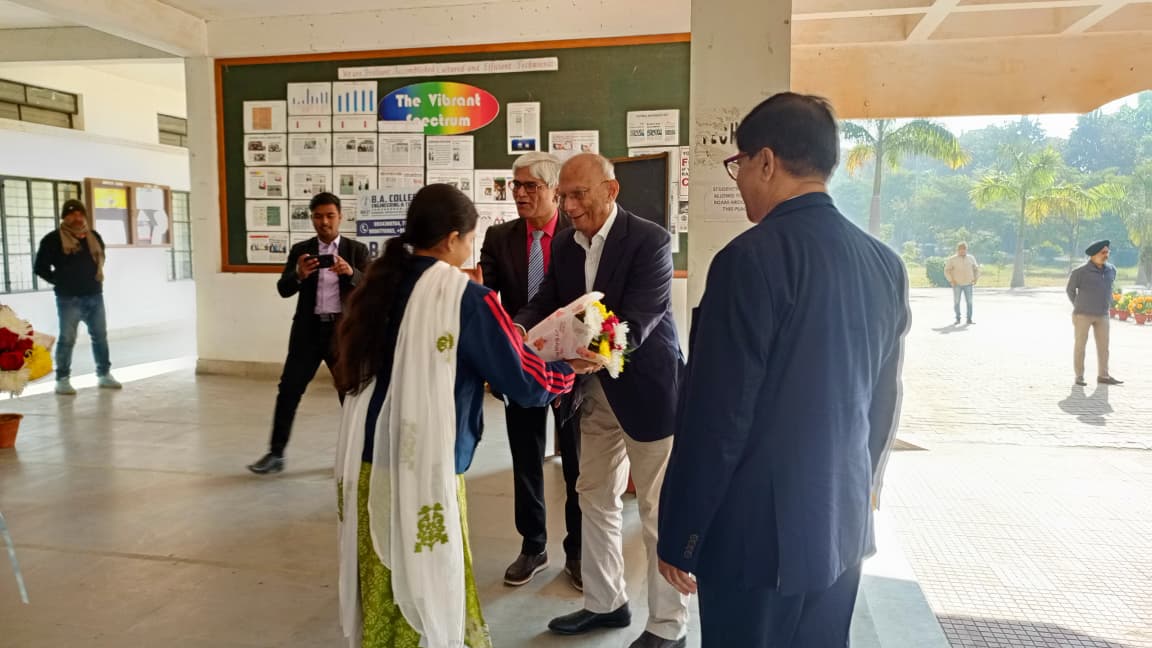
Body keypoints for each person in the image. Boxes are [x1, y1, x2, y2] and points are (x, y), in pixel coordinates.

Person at [656, 93, 911, 648]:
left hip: (755, 541)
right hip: (841, 525)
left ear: (766, 161)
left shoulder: (748, 260)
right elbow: (883, 403)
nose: (740, 180)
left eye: (740, 164)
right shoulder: (884, 264)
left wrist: (682, 532)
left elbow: (716, 418)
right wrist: (859, 493)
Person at [332, 184, 587, 648]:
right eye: (470, 240)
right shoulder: (465, 298)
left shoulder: (381, 283)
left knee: (385, 580)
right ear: (452, 239)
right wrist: (566, 371)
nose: (470, 251)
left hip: (369, 458)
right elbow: (523, 380)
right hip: (427, 463)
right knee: (428, 579)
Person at [515, 153, 690, 648]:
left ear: (610, 191)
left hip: (647, 391)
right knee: (593, 493)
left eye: (579, 195)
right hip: (592, 395)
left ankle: (668, 626)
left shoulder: (650, 240)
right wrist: (519, 330)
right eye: (564, 196)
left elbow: (641, 317)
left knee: (657, 507)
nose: (569, 206)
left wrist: (594, 354)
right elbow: (548, 298)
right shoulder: (566, 245)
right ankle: (605, 601)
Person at [478, 152, 583, 590]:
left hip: (573, 364)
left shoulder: (578, 234)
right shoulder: (499, 237)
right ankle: (533, 545)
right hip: (520, 365)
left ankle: (578, 551)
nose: (520, 194)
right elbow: (487, 301)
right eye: (515, 185)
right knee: (525, 457)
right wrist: (496, 357)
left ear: (554, 190)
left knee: (577, 462)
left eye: (530, 186)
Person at [248, 192, 370, 475]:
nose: (324, 222)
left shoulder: (356, 250)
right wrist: (299, 275)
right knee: (289, 390)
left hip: (342, 333)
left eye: (330, 216)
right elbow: (283, 289)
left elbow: (370, 287)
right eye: (318, 216)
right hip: (307, 332)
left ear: (340, 217)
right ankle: (275, 454)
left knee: (351, 393)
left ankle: (359, 454)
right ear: (312, 219)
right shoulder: (301, 250)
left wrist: (351, 273)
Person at [34, 199, 121, 395]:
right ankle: (62, 379)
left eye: (80, 213)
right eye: (72, 214)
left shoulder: (93, 236)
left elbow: (100, 258)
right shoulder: (53, 239)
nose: (77, 217)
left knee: (100, 336)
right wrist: (59, 281)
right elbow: (39, 267)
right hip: (68, 299)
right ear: (64, 217)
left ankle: (104, 375)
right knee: (67, 339)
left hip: (94, 295)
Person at [1067, 240, 1123, 387]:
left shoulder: (1111, 269)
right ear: (1093, 255)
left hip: (1103, 315)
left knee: (1104, 347)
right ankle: (1079, 376)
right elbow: (1070, 290)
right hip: (1082, 315)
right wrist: (1078, 305)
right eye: (1103, 252)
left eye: (1107, 252)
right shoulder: (1080, 272)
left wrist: (1110, 302)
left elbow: (1110, 287)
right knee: (1080, 346)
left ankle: (1103, 375)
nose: (1106, 255)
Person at [945, 242, 979, 324]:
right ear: (958, 250)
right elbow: (947, 270)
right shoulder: (952, 259)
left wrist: (976, 278)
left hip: (968, 284)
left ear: (966, 250)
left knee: (969, 302)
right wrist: (951, 280)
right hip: (957, 284)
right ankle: (958, 318)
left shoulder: (971, 258)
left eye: (964, 249)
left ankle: (969, 319)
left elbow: (976, 269)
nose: (962, 251)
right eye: (960, 250)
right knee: (957, 302)